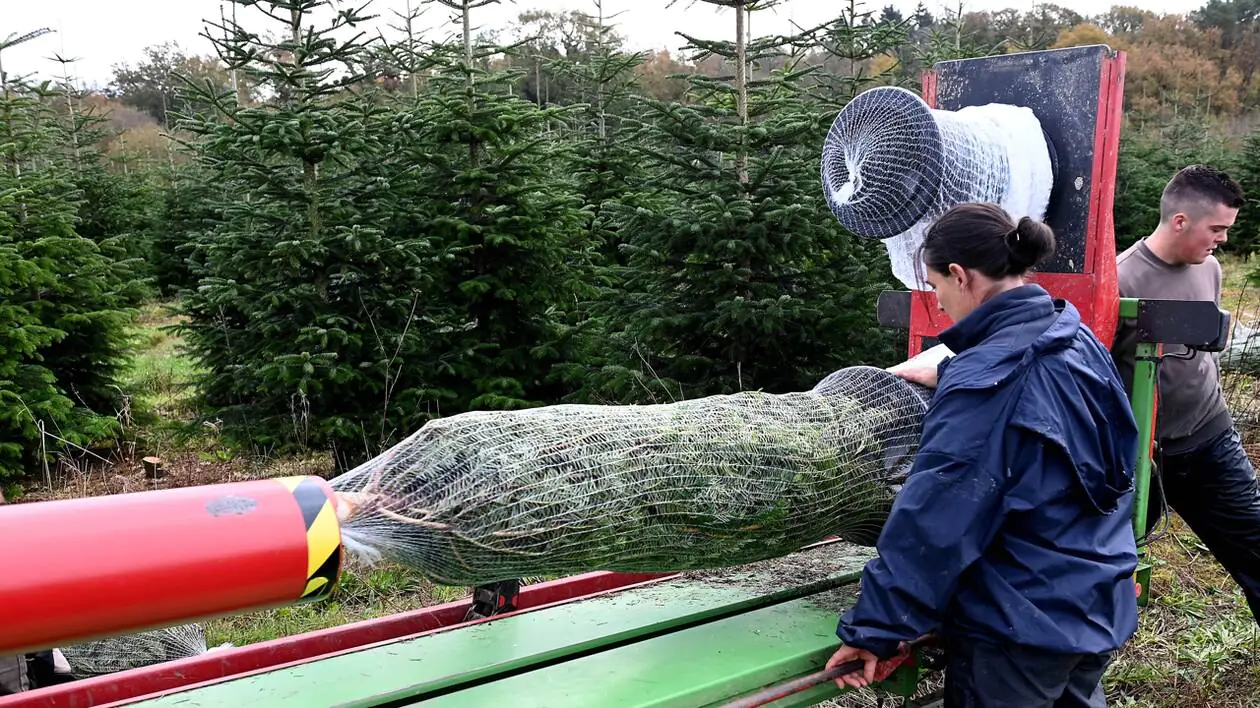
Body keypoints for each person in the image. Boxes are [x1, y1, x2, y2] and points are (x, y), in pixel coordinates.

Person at [826, 202, 1141, 706]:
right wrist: (954, 371)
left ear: (960, 275)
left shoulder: (988, 382)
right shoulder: (1072, 336)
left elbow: (936, 520)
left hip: (1020, 626)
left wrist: (875, 629)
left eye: (936, 288)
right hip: (1094, 598)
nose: (940, 304)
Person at [1110, 164, 1260, 625]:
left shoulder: (1209, 268)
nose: (1222, 241)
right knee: (1103, 570)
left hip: (1212, 440)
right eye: (1216, 229)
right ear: (1180, 221)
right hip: (1145, 458)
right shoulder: (1120, 282)